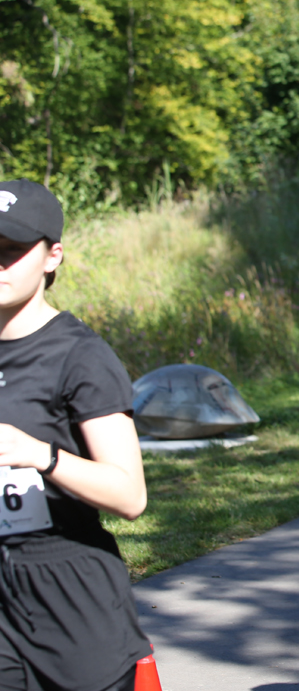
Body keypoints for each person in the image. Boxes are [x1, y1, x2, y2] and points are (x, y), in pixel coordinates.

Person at [0, 179, 152, 691]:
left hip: (67, 593)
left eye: (12, 251)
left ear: (52, 256)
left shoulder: (80, 355)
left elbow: (129, 496)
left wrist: (39, 455)